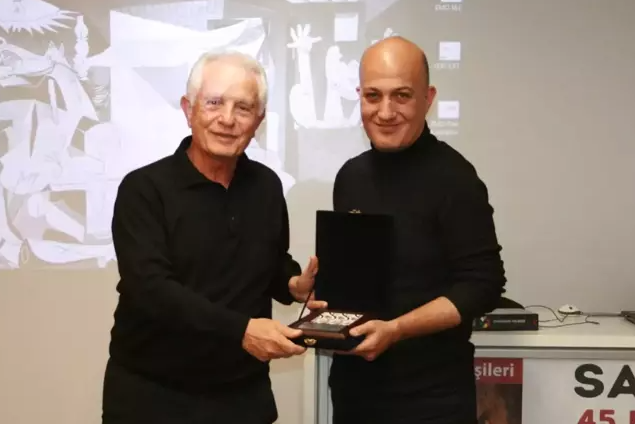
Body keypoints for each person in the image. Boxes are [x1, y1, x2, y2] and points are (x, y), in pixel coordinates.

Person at [101, 51, 321, 424]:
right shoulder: (144, 189)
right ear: (189, 110)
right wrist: (241, 331)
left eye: (243, 108)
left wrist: (292, 284)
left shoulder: (266, 186)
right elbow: (151, 289)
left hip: (243, 396)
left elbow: (268, 260)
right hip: (154, 397)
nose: (227, 119)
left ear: (259, 120)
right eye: (214, 103)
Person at [325, 36, 507, 424]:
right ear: (360, 97)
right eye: (373, 96)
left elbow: (483, 284)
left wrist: (397, 329)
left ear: (428, 98)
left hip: (431, 399)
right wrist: (323, 292)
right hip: (354, 393)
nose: (385, 111)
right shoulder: (350, 176)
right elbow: (365, 278)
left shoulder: (455, 178)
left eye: (402, 96)